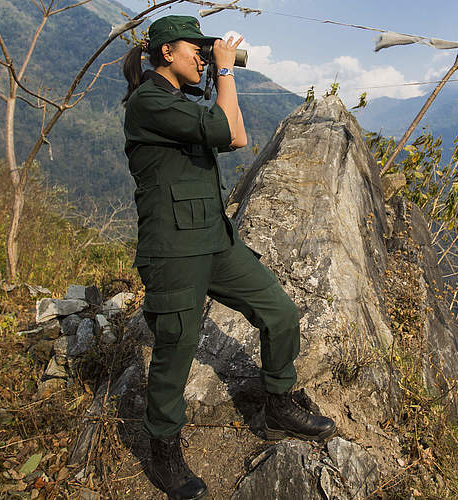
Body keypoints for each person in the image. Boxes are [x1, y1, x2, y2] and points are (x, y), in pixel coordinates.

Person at [121, 15, 337, 500]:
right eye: (193, 49)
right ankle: (164, 449)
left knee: (280, 313)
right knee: (176, 348)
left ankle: (279, 403)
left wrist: (223, 74)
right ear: (165, 53)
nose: (201, 55)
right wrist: (224, 71)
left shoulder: (177, 100)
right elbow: (222, 126)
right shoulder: (149, 101)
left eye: (206, 49)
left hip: (216, 241)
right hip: (173, 248)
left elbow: (235, 137)